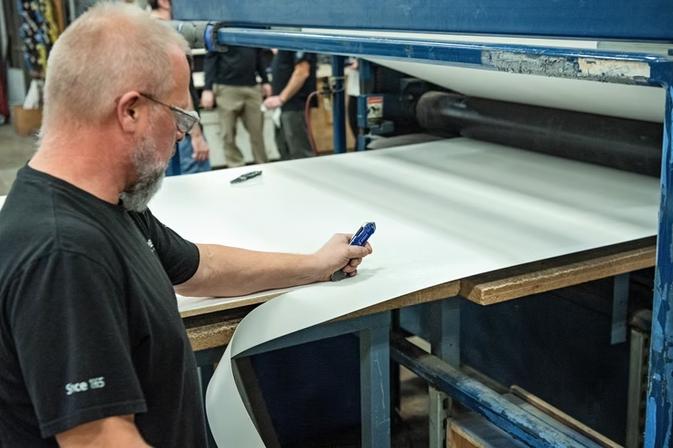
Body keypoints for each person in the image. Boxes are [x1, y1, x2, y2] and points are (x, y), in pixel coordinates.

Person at [0, 4, 372, 447]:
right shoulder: (64, 253)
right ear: (131, 111)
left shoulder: (112, 203)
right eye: (179, 117)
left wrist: (315, 264)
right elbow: (98, 439)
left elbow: (200, 267)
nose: (181, 136)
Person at [149, 0, 210, 175]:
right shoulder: (166, 33)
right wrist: (196, 136)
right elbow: (178, 91)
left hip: (159, 131)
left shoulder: (145, 32)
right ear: (164, 2)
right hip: (180, 130)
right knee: (195, 182)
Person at [201, 46, 271, 166]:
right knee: (227, 134)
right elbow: (210, 60)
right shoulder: (219, 34)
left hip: (252, 87)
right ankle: (235, 166)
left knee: (257, 133)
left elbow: (259, 56)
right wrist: (207, 89)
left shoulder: (252, 35)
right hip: (226, 88)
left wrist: (265, 80)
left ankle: (263, 165)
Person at [263, 50, 318, 160]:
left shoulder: (298, 43)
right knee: (284, 150)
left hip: (295, 105)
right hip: (283, 107)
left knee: (300, 152)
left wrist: (282, 98)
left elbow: (302, 72)